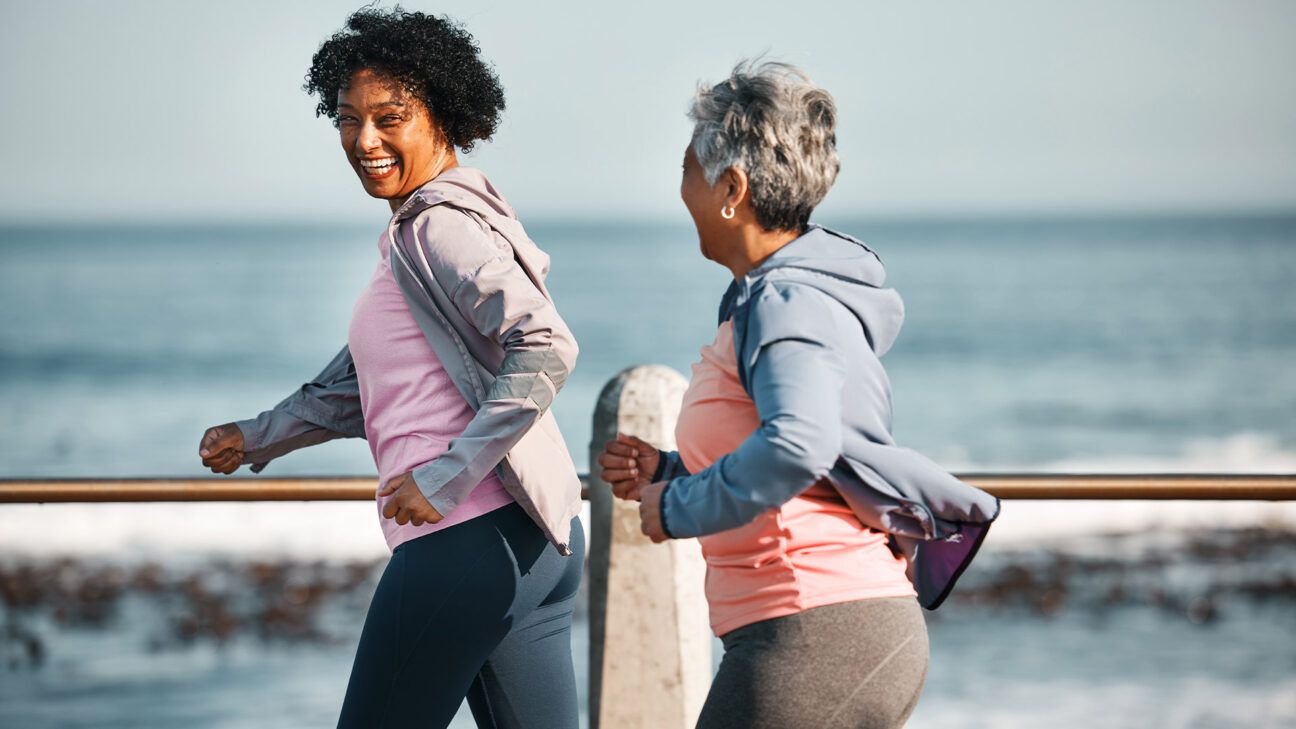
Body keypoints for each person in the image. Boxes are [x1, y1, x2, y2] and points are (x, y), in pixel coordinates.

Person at [196, 9, 584, 729]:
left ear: (444, 113)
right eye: (348, 119)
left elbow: (546, 345)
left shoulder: (441, 226)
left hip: (465, 540)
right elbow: (359, 386)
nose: (364, 140)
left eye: (389, 117)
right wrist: (259, 435)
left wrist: (443, 478)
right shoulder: (421, 233)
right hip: (534, 544)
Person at [598, 61, 1000, 729]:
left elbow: (799, 443)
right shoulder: (787, 296)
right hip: (820, 626)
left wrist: (676, 504)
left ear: (732, 188)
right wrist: (668, 469)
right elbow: (808, 454)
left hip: (815, 628)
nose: (680, 192)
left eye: (686, 174)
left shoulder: (785, 299)